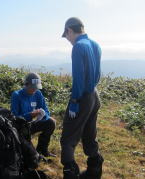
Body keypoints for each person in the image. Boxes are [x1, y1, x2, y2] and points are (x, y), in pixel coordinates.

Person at [60, 17, 104, 179]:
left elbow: (78, 78)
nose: (68, 40)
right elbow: (97, 75)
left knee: (68, 140)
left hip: (82, 98)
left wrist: (74, 101)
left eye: (67, 36)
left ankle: (71, 174)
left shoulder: (78, 47)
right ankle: (94, 171)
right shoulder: (95, 45)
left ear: (70, 31)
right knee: (89, 134)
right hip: (94, 95)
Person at [11, 72, 56, 157]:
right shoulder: (17, 95)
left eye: (36, 88)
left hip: (34, 123)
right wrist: (30, 115)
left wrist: (43, 115)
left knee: (51, 122)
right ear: (26, 85)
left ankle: (42, 149)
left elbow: (46, 110)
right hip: (22, 127)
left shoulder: (38, 94)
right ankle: (33, 152)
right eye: (32, 88)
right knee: (30, 155)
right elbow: (14, 117)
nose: (34, 90)